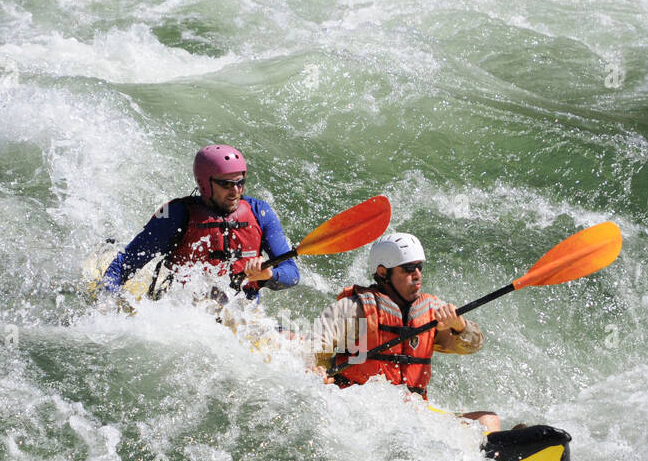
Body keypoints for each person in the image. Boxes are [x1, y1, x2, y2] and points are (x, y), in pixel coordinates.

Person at [310, 233, 500, 431]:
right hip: (362, 415)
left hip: (414, 416)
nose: (417, 274)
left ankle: (490, 457)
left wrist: (459, 325)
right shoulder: (354, 309)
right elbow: (313, 346)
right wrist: (319, 370)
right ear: (383, 272)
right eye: (409, 269)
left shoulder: (433, 312)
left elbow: (474, 345)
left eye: (419, 267)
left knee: (489, 420)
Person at [101, 145, 299, 301]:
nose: (236, 191)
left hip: (242, 311)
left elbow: (292, 273)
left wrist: (268, 274)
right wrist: (106, 300)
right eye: (226, 184)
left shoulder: (260, 212)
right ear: (204, 184)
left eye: (240, 182)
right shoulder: (176, 214)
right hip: (185, 310)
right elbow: (124, 264)